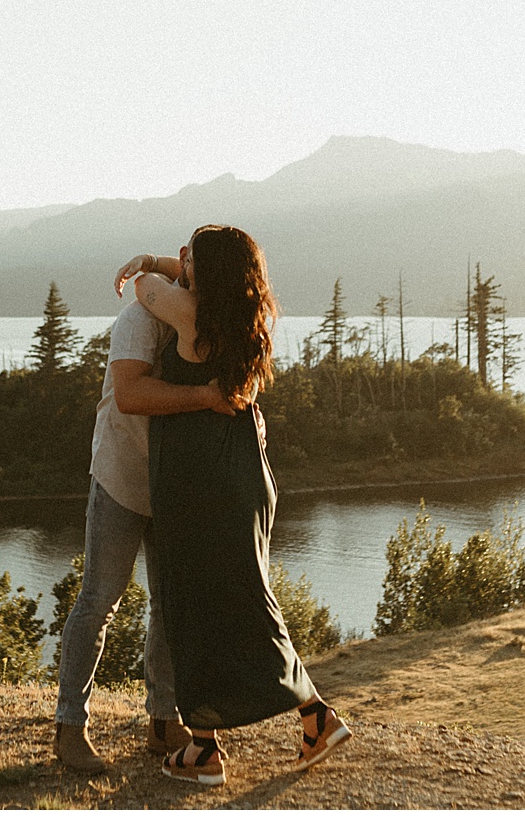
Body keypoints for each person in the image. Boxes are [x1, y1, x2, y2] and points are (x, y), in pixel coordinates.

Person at [115, 226, 351, 787]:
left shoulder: (189, 317)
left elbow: (144, 287)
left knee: (188, 601)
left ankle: (210, 750)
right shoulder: (248, 319)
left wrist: (151, 261)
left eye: (190, 255)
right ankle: (301, 721)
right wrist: (190, 265)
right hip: (242, 473)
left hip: (198, 480)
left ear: (207, 271)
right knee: (244, 595)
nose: (180, 261)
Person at [51, 271, 232, 773]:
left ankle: (162, 721)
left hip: (174, 483)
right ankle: (70, 727)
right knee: (99, 602)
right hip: (122, 476)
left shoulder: (209, 322)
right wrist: (205, 397)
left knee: (168, 605)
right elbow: (130, 394)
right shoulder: (140, 318)